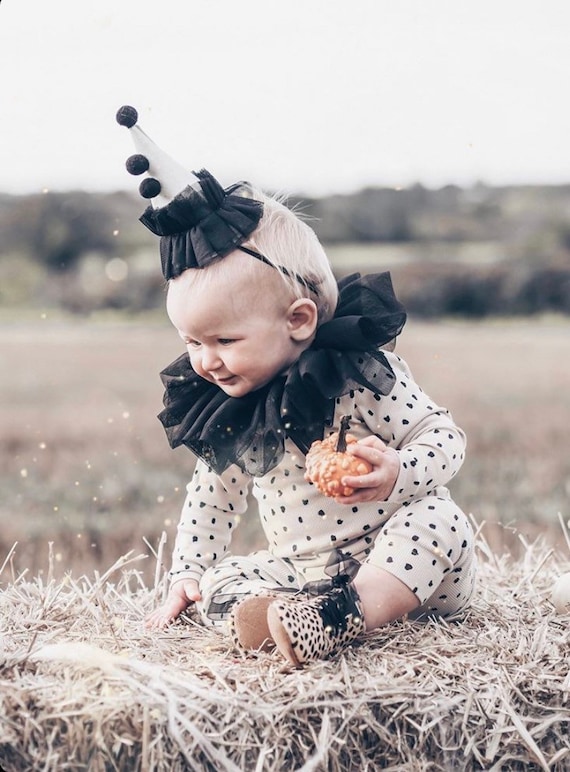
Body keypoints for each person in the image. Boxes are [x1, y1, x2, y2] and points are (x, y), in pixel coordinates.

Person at [116, 105, 477, 667]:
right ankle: (302, 617)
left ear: (299, 320)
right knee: (221, 581)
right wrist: (187, 572)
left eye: (225, 341)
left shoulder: (358, 375)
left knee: (441, 521)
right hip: (309, 571)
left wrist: (398, 472)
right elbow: (214, 497)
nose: (206, 362)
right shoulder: (230, 408)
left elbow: (446, 438)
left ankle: (348, 614)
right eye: (191, 343)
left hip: (403, 558)